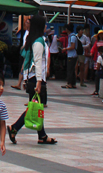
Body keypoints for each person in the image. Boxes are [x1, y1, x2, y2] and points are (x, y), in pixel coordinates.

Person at [7, 13, 57, 146]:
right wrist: (40, 81)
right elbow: (38, 62)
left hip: (32, 77)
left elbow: (27, 62)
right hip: (36, 79)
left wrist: (25, 80)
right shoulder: (39, 41)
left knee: (36, 106)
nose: (46, 26)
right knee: (33, 107)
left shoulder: (32, 39)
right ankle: (14, 128)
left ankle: (42, 135)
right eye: (44, 24)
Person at [11, 17, 30, 89]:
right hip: (24, 51)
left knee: (24, 66)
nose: (26, 24)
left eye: (27, 23)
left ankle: (24, 82)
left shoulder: (31, 32)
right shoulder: (26, 31)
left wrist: (24, 46)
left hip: (27, 51)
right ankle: (19, 83)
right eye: (26, 22)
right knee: (22, 67)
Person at [61, 23, 77, 89]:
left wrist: (65, 49)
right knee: (72, 70)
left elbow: (72, 46)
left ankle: (70, 83)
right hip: (72, 55)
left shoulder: (72, 37)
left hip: (72, 55)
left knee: (70, 70)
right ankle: (73, 83)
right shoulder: (72, 36)